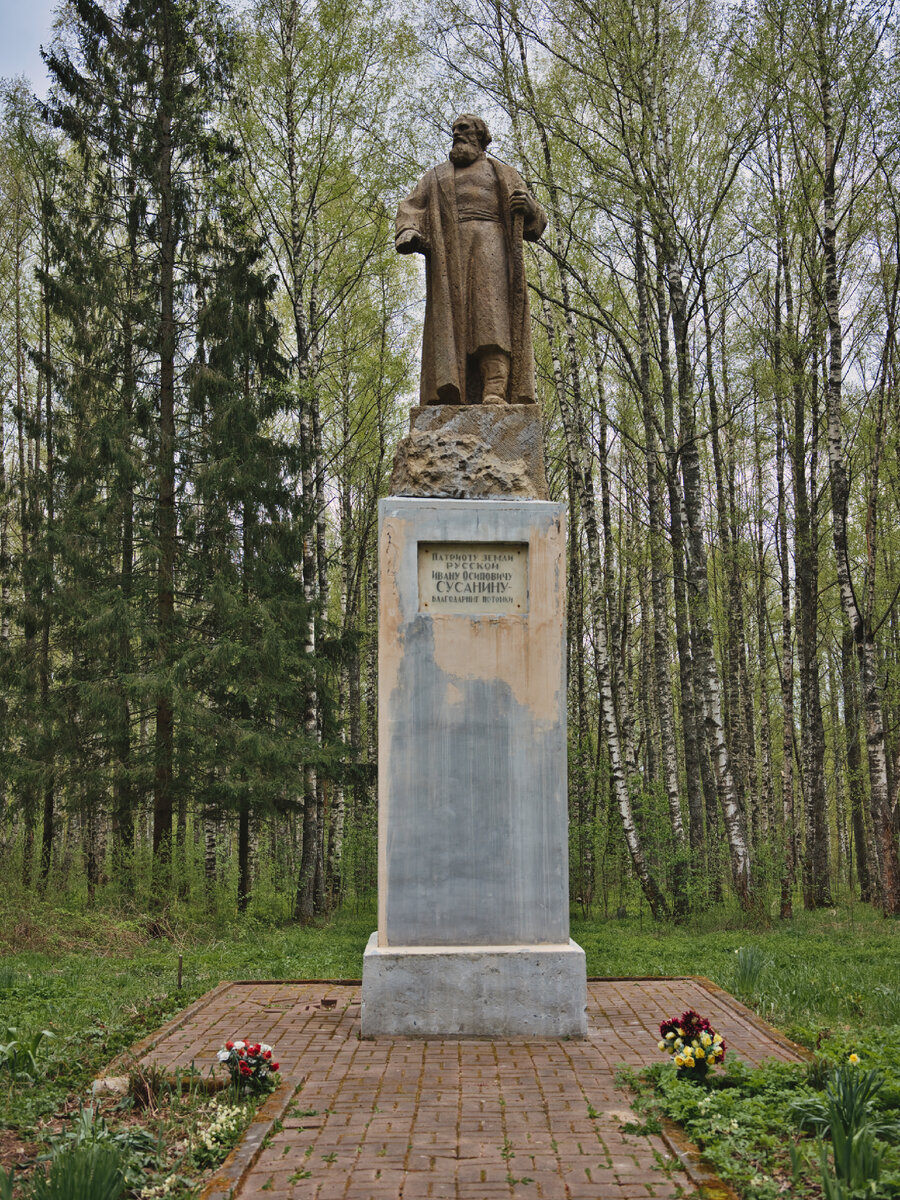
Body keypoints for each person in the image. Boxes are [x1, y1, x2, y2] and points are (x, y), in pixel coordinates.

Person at [396, 114, 547, 406]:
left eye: (463, 129)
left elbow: (535, 224)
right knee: (452, 323)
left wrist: (531, 209)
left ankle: (495, 388)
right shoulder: (436, 177)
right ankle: (451, 390)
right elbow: (412, 207)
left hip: (493, 251)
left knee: (492, 319)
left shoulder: (504, 174)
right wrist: (409, 231)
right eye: (454, 129)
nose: (456, 134)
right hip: (450, 254)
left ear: (480, 136)